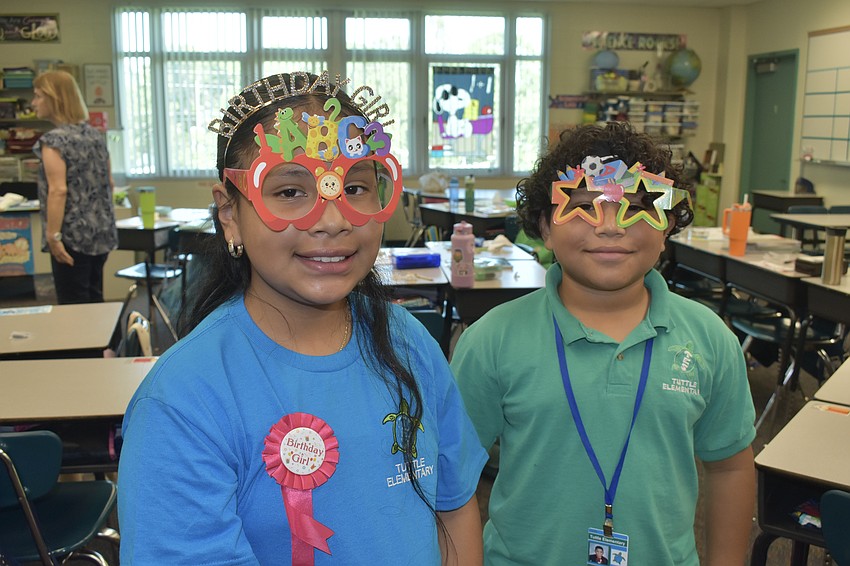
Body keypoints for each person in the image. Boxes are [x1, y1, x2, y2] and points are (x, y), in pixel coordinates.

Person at [117, 71, 488, 565]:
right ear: (229, 213)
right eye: (290, 192)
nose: (332, 220)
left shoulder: (409, 342)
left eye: (354, 187)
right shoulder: (185, 398)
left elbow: (454, 505)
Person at [450, 122, 756, 565]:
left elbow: (729, 466)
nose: (610, 227)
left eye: (636, 208)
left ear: (667, 224)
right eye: (583, 208)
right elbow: (450, 475)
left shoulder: (709, 339)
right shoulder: (492, 340)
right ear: (545, 226)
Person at [31, 70, 117, 304]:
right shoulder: (95, 136)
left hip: (71, 238)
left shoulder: (54, 142)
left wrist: (53, 236)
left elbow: (58, 190)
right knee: (94, 299)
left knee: (73, 307)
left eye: (38, 96)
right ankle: (106, 342)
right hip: (100, 234)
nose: (33, 102)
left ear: (54, 99)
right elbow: (109, 183)